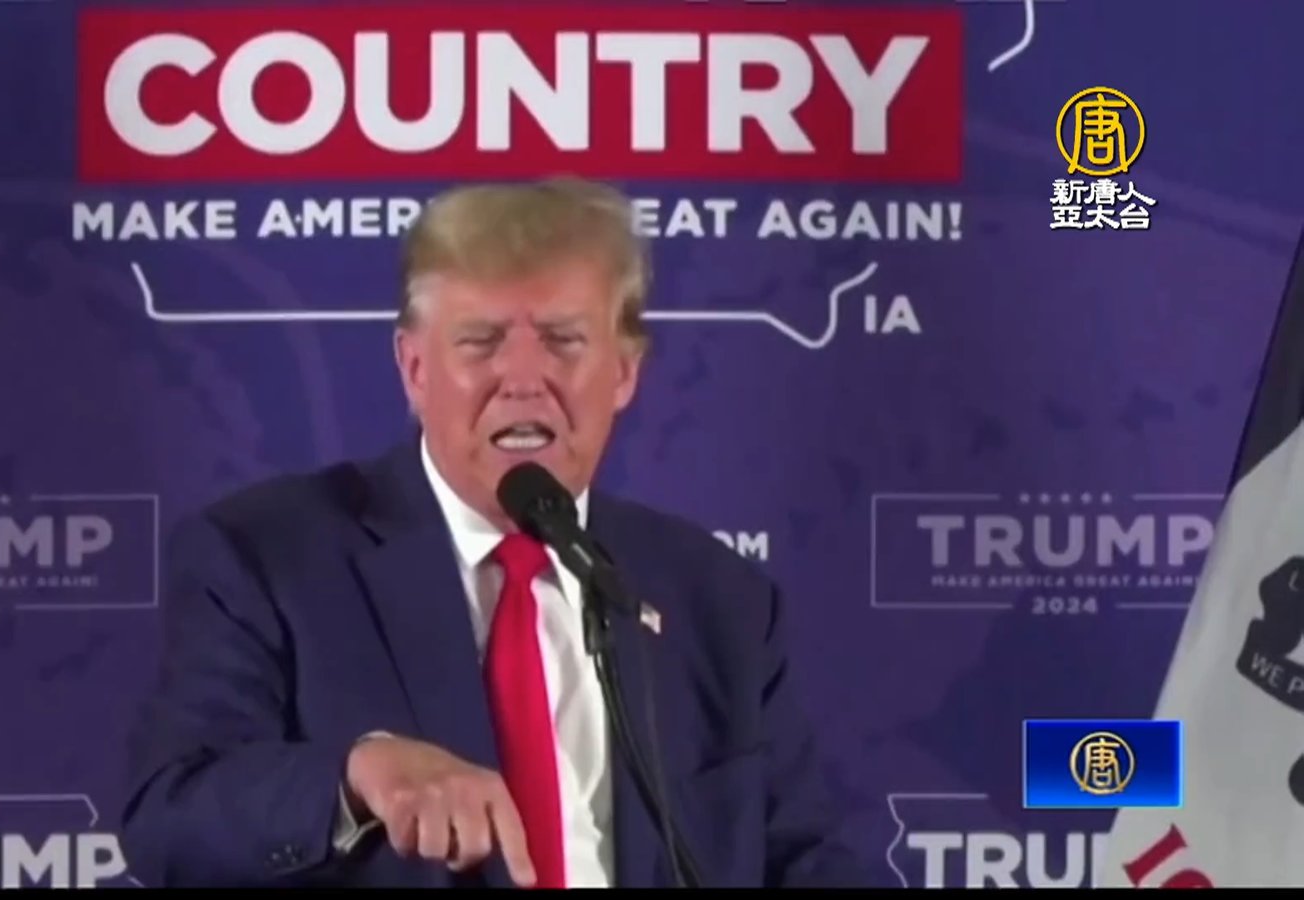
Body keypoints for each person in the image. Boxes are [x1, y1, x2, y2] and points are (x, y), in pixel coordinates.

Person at [117, 177, 879, 888]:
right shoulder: (267, 558)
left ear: (625, 372)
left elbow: (803, 859)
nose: (521, 379)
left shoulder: (718, 600)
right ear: (414, 369)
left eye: (563, 341)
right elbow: (169, 818)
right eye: (480, 342)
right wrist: (356, 776)